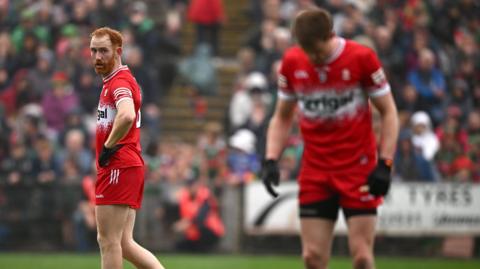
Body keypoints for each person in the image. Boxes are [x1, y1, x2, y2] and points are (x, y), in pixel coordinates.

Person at [261, 8, 399, 269]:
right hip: (316, 171)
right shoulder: (292, 62)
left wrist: (385, 163)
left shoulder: (362, 58)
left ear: (331, 35)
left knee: (361, 257)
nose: (313, 58)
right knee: (312, 258)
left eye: (318, 51)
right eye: (307, 51)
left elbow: (389, 111)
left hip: (358, 169)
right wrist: (270, 159)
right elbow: (281, 117)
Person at [90, 27, 165, 269]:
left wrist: (108, 148)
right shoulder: (115, 80)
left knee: (108, 241)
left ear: (118, 51)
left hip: (118, 166)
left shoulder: (119, 81)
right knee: (123, 243)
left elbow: (126, 115)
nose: (97, 57)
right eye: (93, 51)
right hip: (127, 165)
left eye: (103, 51)